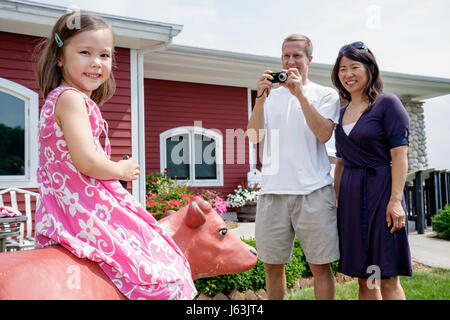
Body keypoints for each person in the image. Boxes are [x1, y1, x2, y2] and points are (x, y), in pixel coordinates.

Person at [34, 12, 196, 300]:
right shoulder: (70, 99)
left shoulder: (65, 98)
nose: (96, 62)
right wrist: (120, 170)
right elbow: (86, 162)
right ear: (59, 57)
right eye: (85, 52)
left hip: (69, 207)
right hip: (82, 210)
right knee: (160, 268)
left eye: (105, 55)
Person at [247, 34, 341, 300]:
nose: (290, 61)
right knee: (272, 266)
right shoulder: (269, 98)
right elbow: (254, 137)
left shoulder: (326, 95)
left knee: (320, 267)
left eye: (297, 55)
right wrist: (260, 99)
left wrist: (300, 95)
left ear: (309, 59)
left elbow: (324, 134)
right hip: (272, 192)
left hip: (314, 191)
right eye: (286, 56)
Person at [331, 41, 413, 300]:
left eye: (355, 67)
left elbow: (400, 154)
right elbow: (342, 162)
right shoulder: (341, 112)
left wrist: (396, 201)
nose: (348, 74)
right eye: (342, 68)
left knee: (387, 276)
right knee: (365, 280)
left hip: (381, 193)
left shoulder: (387, 104)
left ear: (370, 69)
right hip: (351, 200)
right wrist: (337, 201)